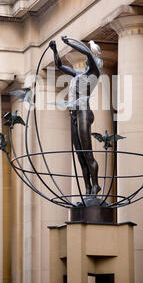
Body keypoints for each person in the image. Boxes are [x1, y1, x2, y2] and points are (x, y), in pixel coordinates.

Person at [49, 35, 103, 195]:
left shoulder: (94, 73)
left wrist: (68, 43)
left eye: (93, 59)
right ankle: (87, 188)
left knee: (87, 153)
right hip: (73, 114)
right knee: (80, 155)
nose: (90, 60)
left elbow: (87, 52)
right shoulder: (78, 74)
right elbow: (59, 65)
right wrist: (55, 50)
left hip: (83, 113)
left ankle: (96, 185)